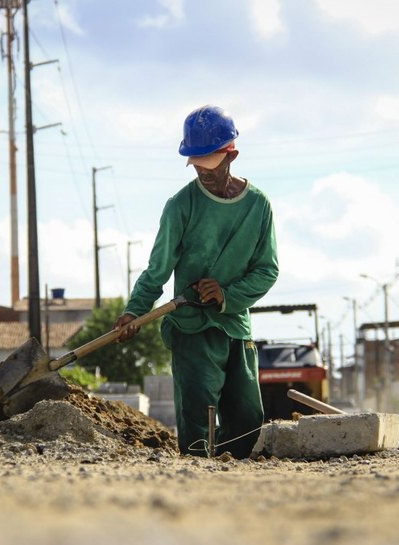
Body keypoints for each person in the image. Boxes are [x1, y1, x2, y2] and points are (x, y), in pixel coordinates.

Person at [114, 104, 279, 459]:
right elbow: (157, 271)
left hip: (235, 325)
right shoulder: (180, 207)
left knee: (248, 420)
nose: (203, 172)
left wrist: (227, 295)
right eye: (196, 162)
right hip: (191, 327)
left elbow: (267, 270)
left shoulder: (259, 207)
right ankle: (196, 481)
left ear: (230, 155)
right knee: (197, 416)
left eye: (210, 162)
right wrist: (134, 312)